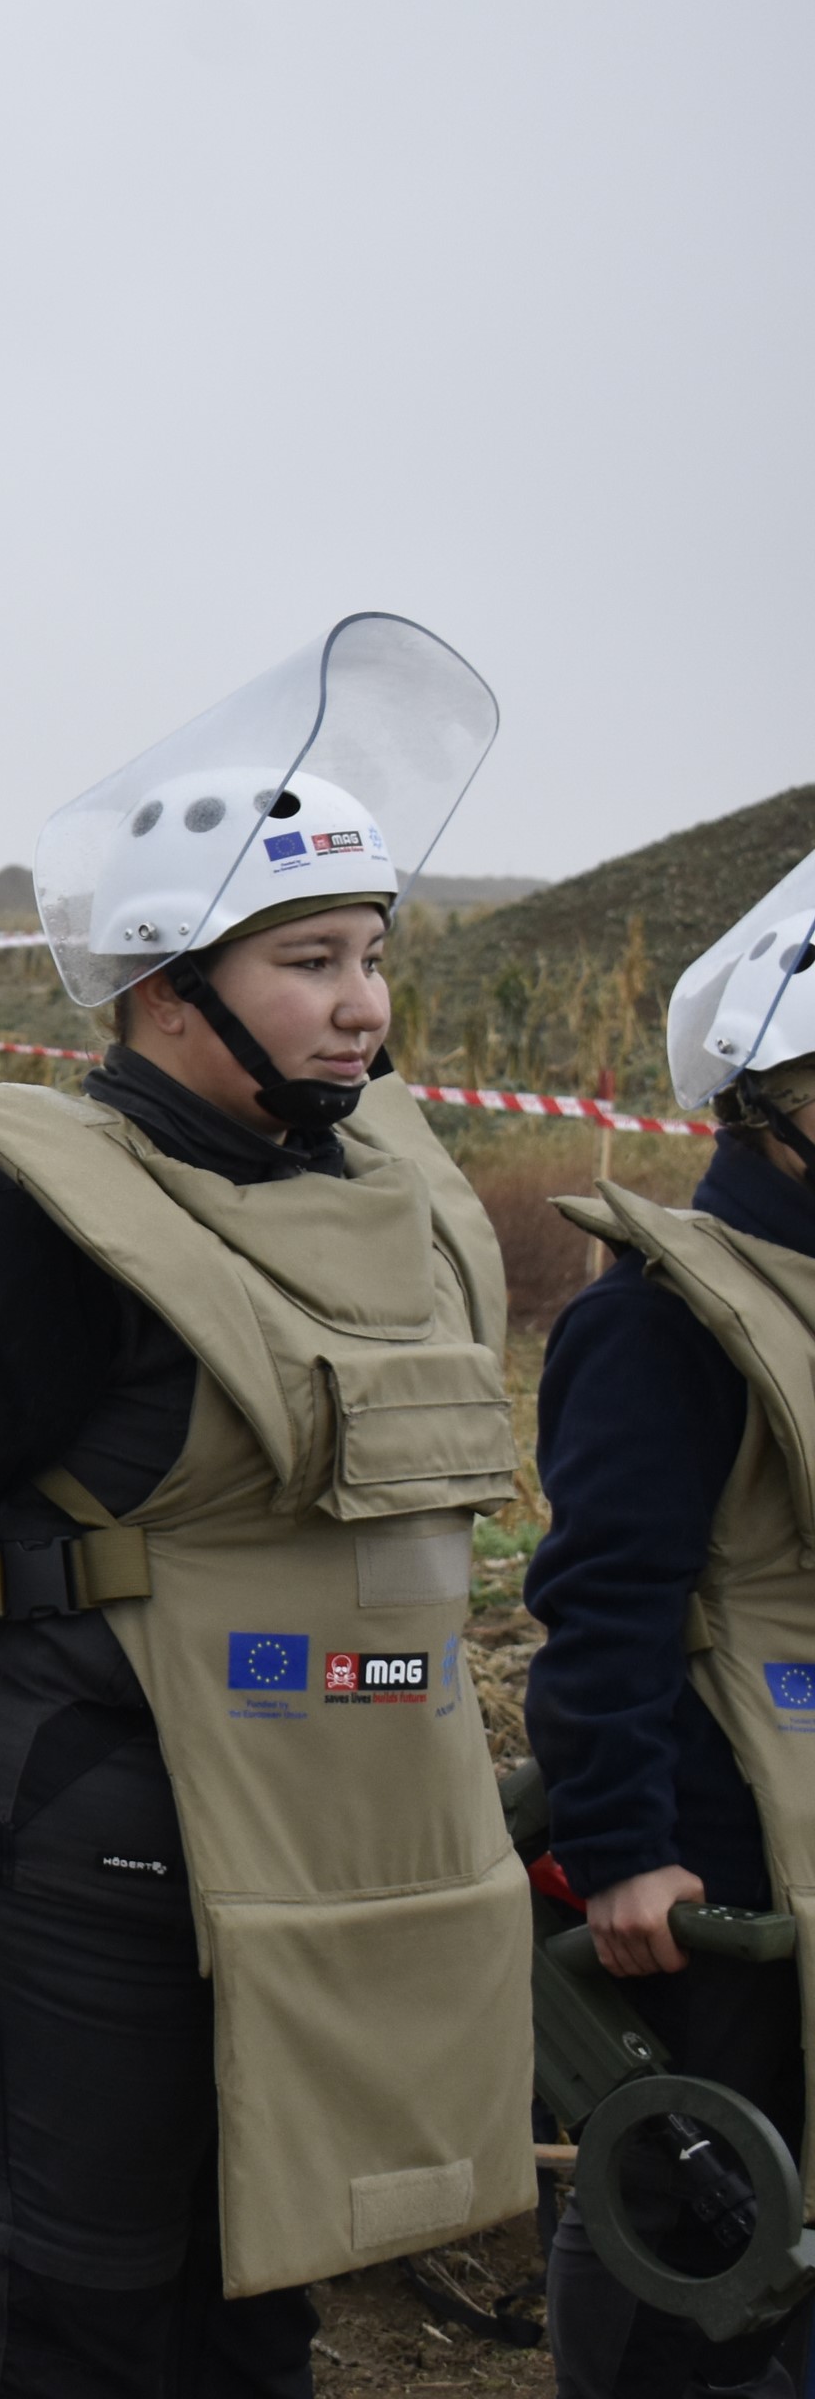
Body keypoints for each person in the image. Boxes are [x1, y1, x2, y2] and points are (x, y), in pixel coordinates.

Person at [0, 615, 535, 2397]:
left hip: (308, 1820)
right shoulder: (44, 1235)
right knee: (82, 2304)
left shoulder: (387, 1201)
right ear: (158, 986)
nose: (361, 1001)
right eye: (305, 960)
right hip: (77, 1832)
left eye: (371, 955)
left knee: (260, 2274)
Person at [523, 848, 815, 2397]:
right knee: (692, 2180)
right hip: (720, 1825)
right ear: (770, 1100)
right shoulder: (659, 1314)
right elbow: (604, 1598)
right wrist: (625, 1842)